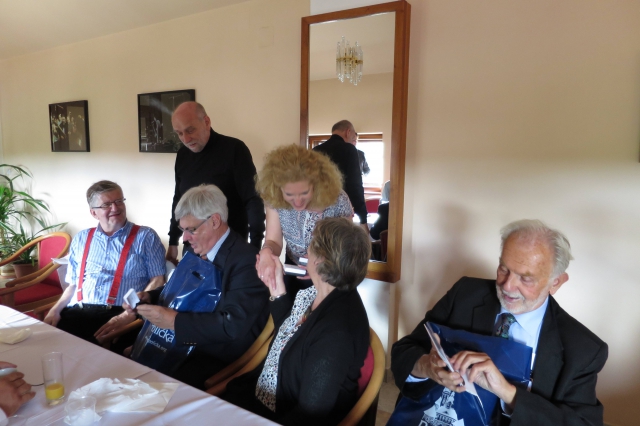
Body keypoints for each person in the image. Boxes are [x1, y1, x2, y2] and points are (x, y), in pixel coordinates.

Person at [391, 219, 608, 426]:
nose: (507, 286)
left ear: (556, 282)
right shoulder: (465, 294)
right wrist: (427, 367)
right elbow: (403, 351)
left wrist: (508, 393)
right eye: (504, 269)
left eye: (525, 278)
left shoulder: (583, 350)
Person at [117, 184, 269, 389]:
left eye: (191, 230)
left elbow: (233, 325)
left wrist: (175, 322)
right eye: (183, 230)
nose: (185, 238)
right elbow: (182, 290)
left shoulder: (247, 261)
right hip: (180, 339)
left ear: (215, 221)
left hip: (214, 353)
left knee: (145, 383)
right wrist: (151, 297)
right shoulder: (193, 250)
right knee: (122, 360)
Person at [223, 217, 370, 425]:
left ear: (319, 260)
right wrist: (276, 287)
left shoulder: (336, 333)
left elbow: (309, 415)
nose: (306, 251)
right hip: (271, 398)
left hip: (282, 415)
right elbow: (291, 335)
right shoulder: (319, 293)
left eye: (311, 244)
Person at [44, 181, 166, 348]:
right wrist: (55, 309)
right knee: (49, 348)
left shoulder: (146, 236)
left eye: (119, 201)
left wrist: (130, 313)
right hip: (79, 312)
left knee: (101, 356)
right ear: (94, 213)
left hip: (120, 313)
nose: (115, 208)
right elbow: (73, 284)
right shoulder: (81, 238)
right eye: (106, 204)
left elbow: (158, 280)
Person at [167, 101, 265, 263]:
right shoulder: (182, 155)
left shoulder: (234, 150)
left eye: (190, 130)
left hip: (229, 249)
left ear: (206, 122)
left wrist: (255, 246)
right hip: (193, 247)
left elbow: (252, 200)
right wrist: (173, 241)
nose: (185, 138)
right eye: (179, 133)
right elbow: (179, 199)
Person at [255, 144, 353, 293]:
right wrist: (267, 252)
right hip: (294, 270)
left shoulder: (337, 199)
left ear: (316, 184)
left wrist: (324, 262)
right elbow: (273, 241)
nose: (298, 202)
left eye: (304, 193)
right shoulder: (274, 199)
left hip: (332, 273)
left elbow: (348, 246)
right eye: (289, 195)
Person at [313, 120, 368, 228]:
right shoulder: (349, 149)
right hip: (341, 208)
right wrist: (363, 218)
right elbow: (355, 184)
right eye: (353, 136)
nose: (353, 139)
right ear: (348, 132)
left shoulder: (316, 150)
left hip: (318, 208)